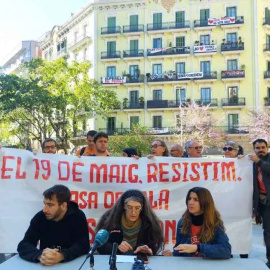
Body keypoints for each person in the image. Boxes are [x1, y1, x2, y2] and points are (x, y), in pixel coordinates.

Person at [17, 185, 90, 266]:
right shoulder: (40, 217)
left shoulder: (77, 216)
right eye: (45, 204)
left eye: (50, 205)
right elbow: (24, 245)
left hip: (72, 265)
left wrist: (61, 255)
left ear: (63, 206)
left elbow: (83, 245)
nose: (45, 210)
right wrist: (40, 256)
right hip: (46, 265)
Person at [163, 187, 231, 259]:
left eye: (196, 200)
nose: (190, 202)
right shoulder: (182, 222)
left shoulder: (215, 223)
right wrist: (172, 254)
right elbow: (180, 249)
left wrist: (198, 248)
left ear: (205, 202)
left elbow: (226, 250)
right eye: (189, 199)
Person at [96, 189, 164, 256]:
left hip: (139, 262)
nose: (133, 212)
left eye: (137, 208)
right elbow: (99, 245)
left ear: (142, 208)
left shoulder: (149, 222)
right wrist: (116, 247)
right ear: (124, 206)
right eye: (130, 207)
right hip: (114, 261)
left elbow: (154, 246)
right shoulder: (110, 219)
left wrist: (144, 249)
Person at [223, 141, 248, 258]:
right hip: (224, 204)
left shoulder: (243, 162)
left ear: (237, 151)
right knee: (225, 231)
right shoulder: (218, 164)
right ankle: (229, 255)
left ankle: (243, 256)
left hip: (240, 204)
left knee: (241, 230)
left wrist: (243, 160)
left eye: (230, 149)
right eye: (225, 148)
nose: (227, 151)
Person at [249, 139, 270, 268]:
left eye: (263, 147)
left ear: (267, 148)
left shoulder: (260, 161)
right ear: (254, 149)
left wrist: (259, 162)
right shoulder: (252, 162)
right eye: (258, 148)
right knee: (267, 232)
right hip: (263, 203)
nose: (260, 150)